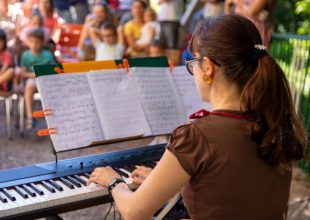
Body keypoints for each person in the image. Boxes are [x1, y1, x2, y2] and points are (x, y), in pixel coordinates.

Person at [87, 15, 307, 219]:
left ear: (208, 67)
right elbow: (230, 190)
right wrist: (165, 180)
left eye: (193, 64)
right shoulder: (273, 124)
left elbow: (134, 211)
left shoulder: (197, 137)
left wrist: (113, 181)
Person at [16, 28, 56, 129]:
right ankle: (30, 116)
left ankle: (53, 118)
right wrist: (34, 75)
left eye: (38, 42)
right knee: (29, 84)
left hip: (46, 81)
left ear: (42, 42)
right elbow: (23, 73)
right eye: (32, 42)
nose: (35, 44)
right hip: (31, 80)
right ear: (28, 43)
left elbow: (54, 70)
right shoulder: (26, 55)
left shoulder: (47, 55)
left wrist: (40, 74)